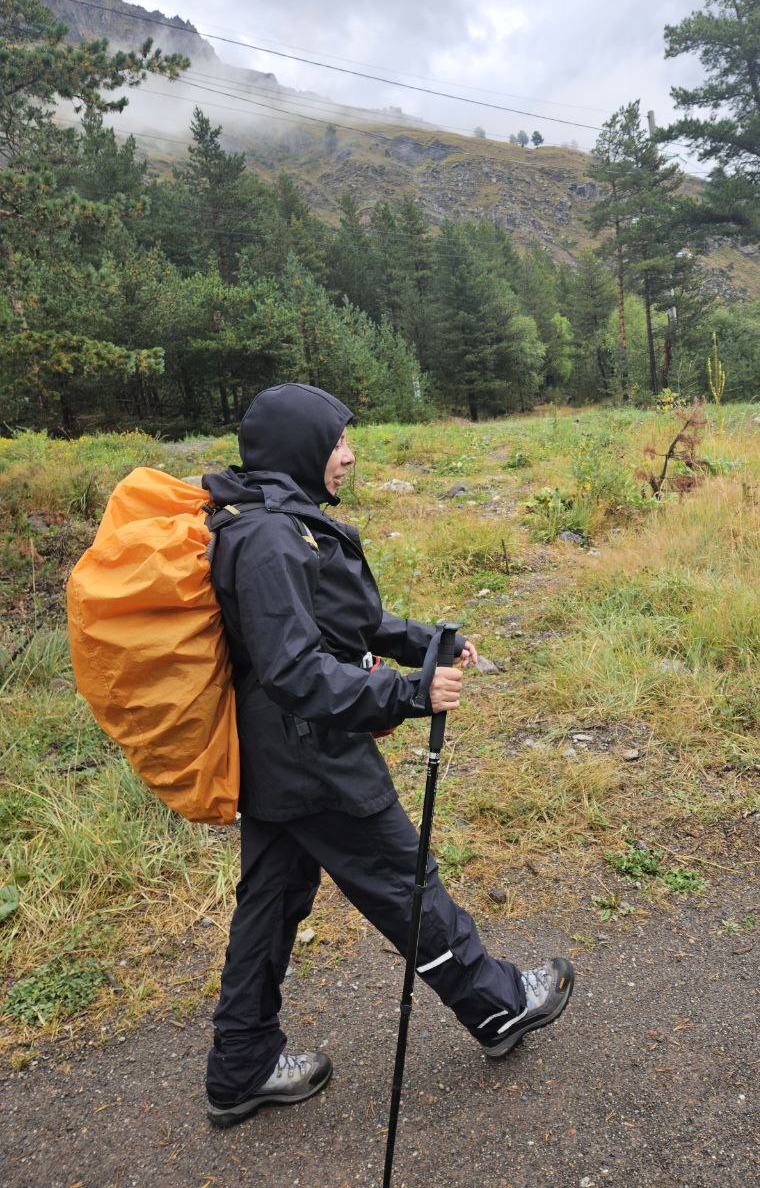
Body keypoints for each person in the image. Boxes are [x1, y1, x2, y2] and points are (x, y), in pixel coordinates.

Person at [201, 383, 574, 1128]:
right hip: (314, 760)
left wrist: (421, 640)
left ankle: (239, 1066)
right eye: (337, 440)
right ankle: (498, 1007)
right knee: (406, 883)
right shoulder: (270, 539)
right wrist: (409, 694)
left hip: (277, 758)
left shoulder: (283, 522)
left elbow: (345, 618)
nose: (348, 454)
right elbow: (296, 669)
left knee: (270, 905)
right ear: (300, 446)